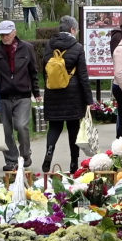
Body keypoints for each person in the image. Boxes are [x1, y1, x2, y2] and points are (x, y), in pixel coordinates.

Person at [41, 16, 93, 174]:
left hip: (53, 92)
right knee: (73, 128)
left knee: (54, 127)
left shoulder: (49, 46)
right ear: (72, 29)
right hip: (73, 94)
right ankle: (73, 163)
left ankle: (49, 152)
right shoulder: (77, 47)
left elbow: (45, 70)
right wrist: (88, 100)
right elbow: (83, 76)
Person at [0, 21, 42, 171]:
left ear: (14, 32)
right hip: (4, 96)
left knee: (21, 126)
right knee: (6, 130)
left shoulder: (27, 48)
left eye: (7, 34)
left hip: (23, 95)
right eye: (2, 34)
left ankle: (25, 155)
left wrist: (36, 92)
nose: (4, 37)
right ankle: (11, 160)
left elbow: (33, 71)